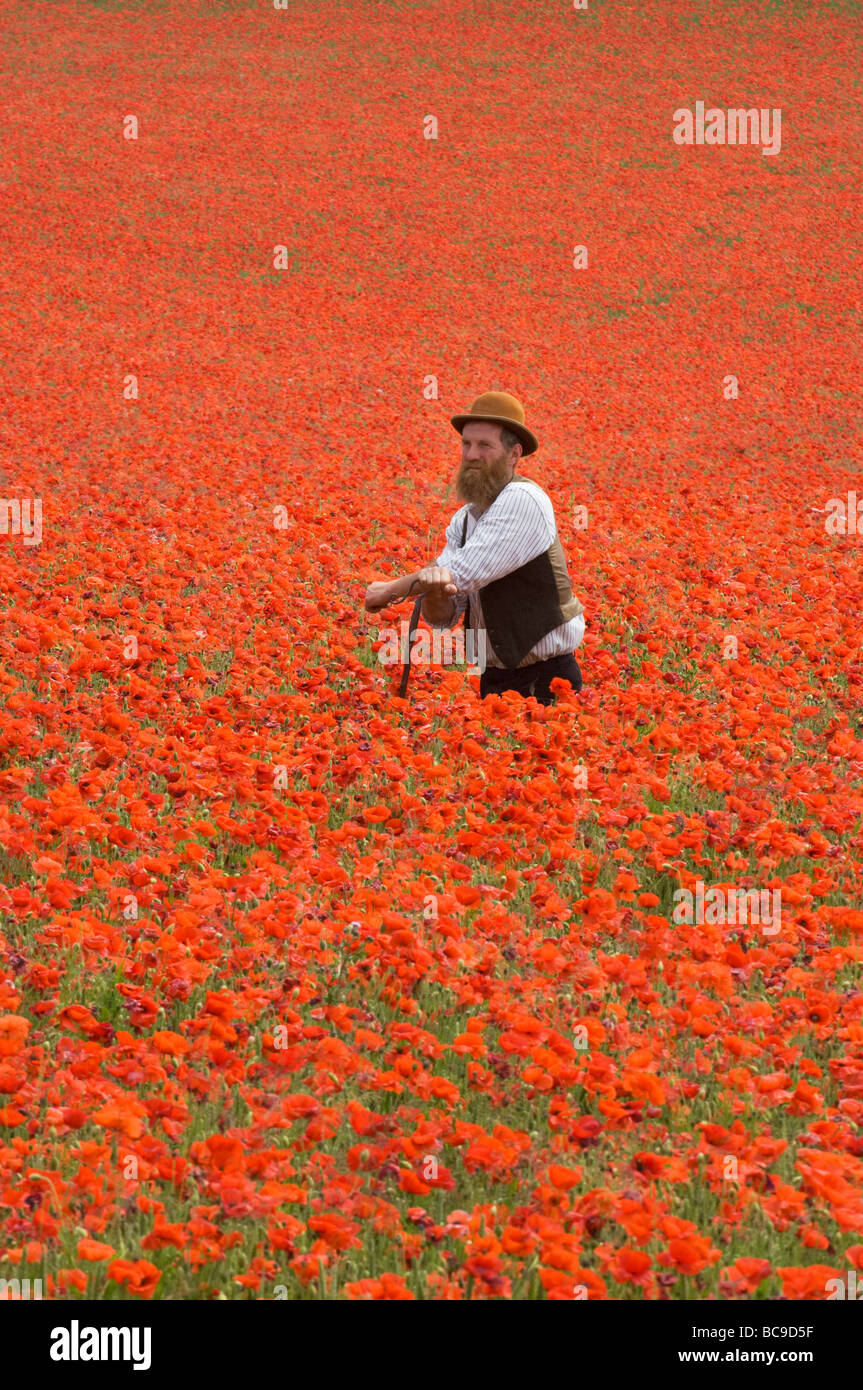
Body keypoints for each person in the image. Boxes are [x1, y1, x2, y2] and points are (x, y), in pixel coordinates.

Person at [364, 391, 584, 705]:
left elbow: (465, 572)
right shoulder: (464, 521)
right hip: (494, 677)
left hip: (547, 679)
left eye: (484, 445)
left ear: (514, 454)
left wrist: (389, 590)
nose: (471, 454)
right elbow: (444, 616)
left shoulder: (524, 500)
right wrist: (437, 591)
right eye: (466, 444)